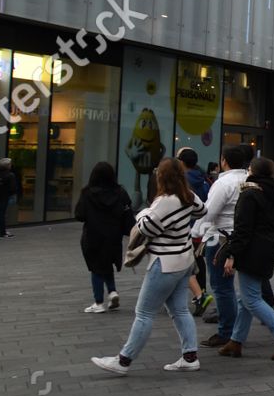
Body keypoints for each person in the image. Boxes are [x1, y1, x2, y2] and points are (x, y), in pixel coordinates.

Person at [90, 158, 206, 375]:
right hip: (184, 261)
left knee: (143, 313)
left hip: (164, 263)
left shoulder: (165, 201)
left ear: (161, 177)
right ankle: (190, 357)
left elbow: (146, 228)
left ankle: (123, 361)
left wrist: (143, 212)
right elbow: (202, 211)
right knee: (180, 310)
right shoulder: (188, 196)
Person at [217, 158, 274, 360]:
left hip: (250, 251)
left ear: (254, 171)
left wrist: (231, 254)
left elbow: (243, 230)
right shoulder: (273, 192)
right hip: (266, 248)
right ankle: (236, 341)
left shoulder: (249, 194)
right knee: (244, 298)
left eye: (250, 167)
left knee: (251, 299)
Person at [198, 146, 250, 346]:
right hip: (243, 237)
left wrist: (195, 233)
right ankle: (235, 331)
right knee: (244, 289)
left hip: (219, 239)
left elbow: (209, 213)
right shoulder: (248, 180)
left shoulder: (223, 183)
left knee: (221, 287)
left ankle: (226, 331)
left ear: (224, 161)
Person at [75, 162, 134, 313]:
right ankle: (112, 291)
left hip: (93, 235)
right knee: (106, 263)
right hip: (114, 236)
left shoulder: (87, 193)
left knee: (96, 267)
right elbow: (127, 213)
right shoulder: (120, 192)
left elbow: (79, 215)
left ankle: (99, 302)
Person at [176, 149, 212, 315]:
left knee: (185, 262)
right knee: (198, 259)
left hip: (185, 227)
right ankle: (200, 291)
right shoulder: (204, 179)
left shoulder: (181, 182)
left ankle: (199, 295)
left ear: (182, 162)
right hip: (202, 226)